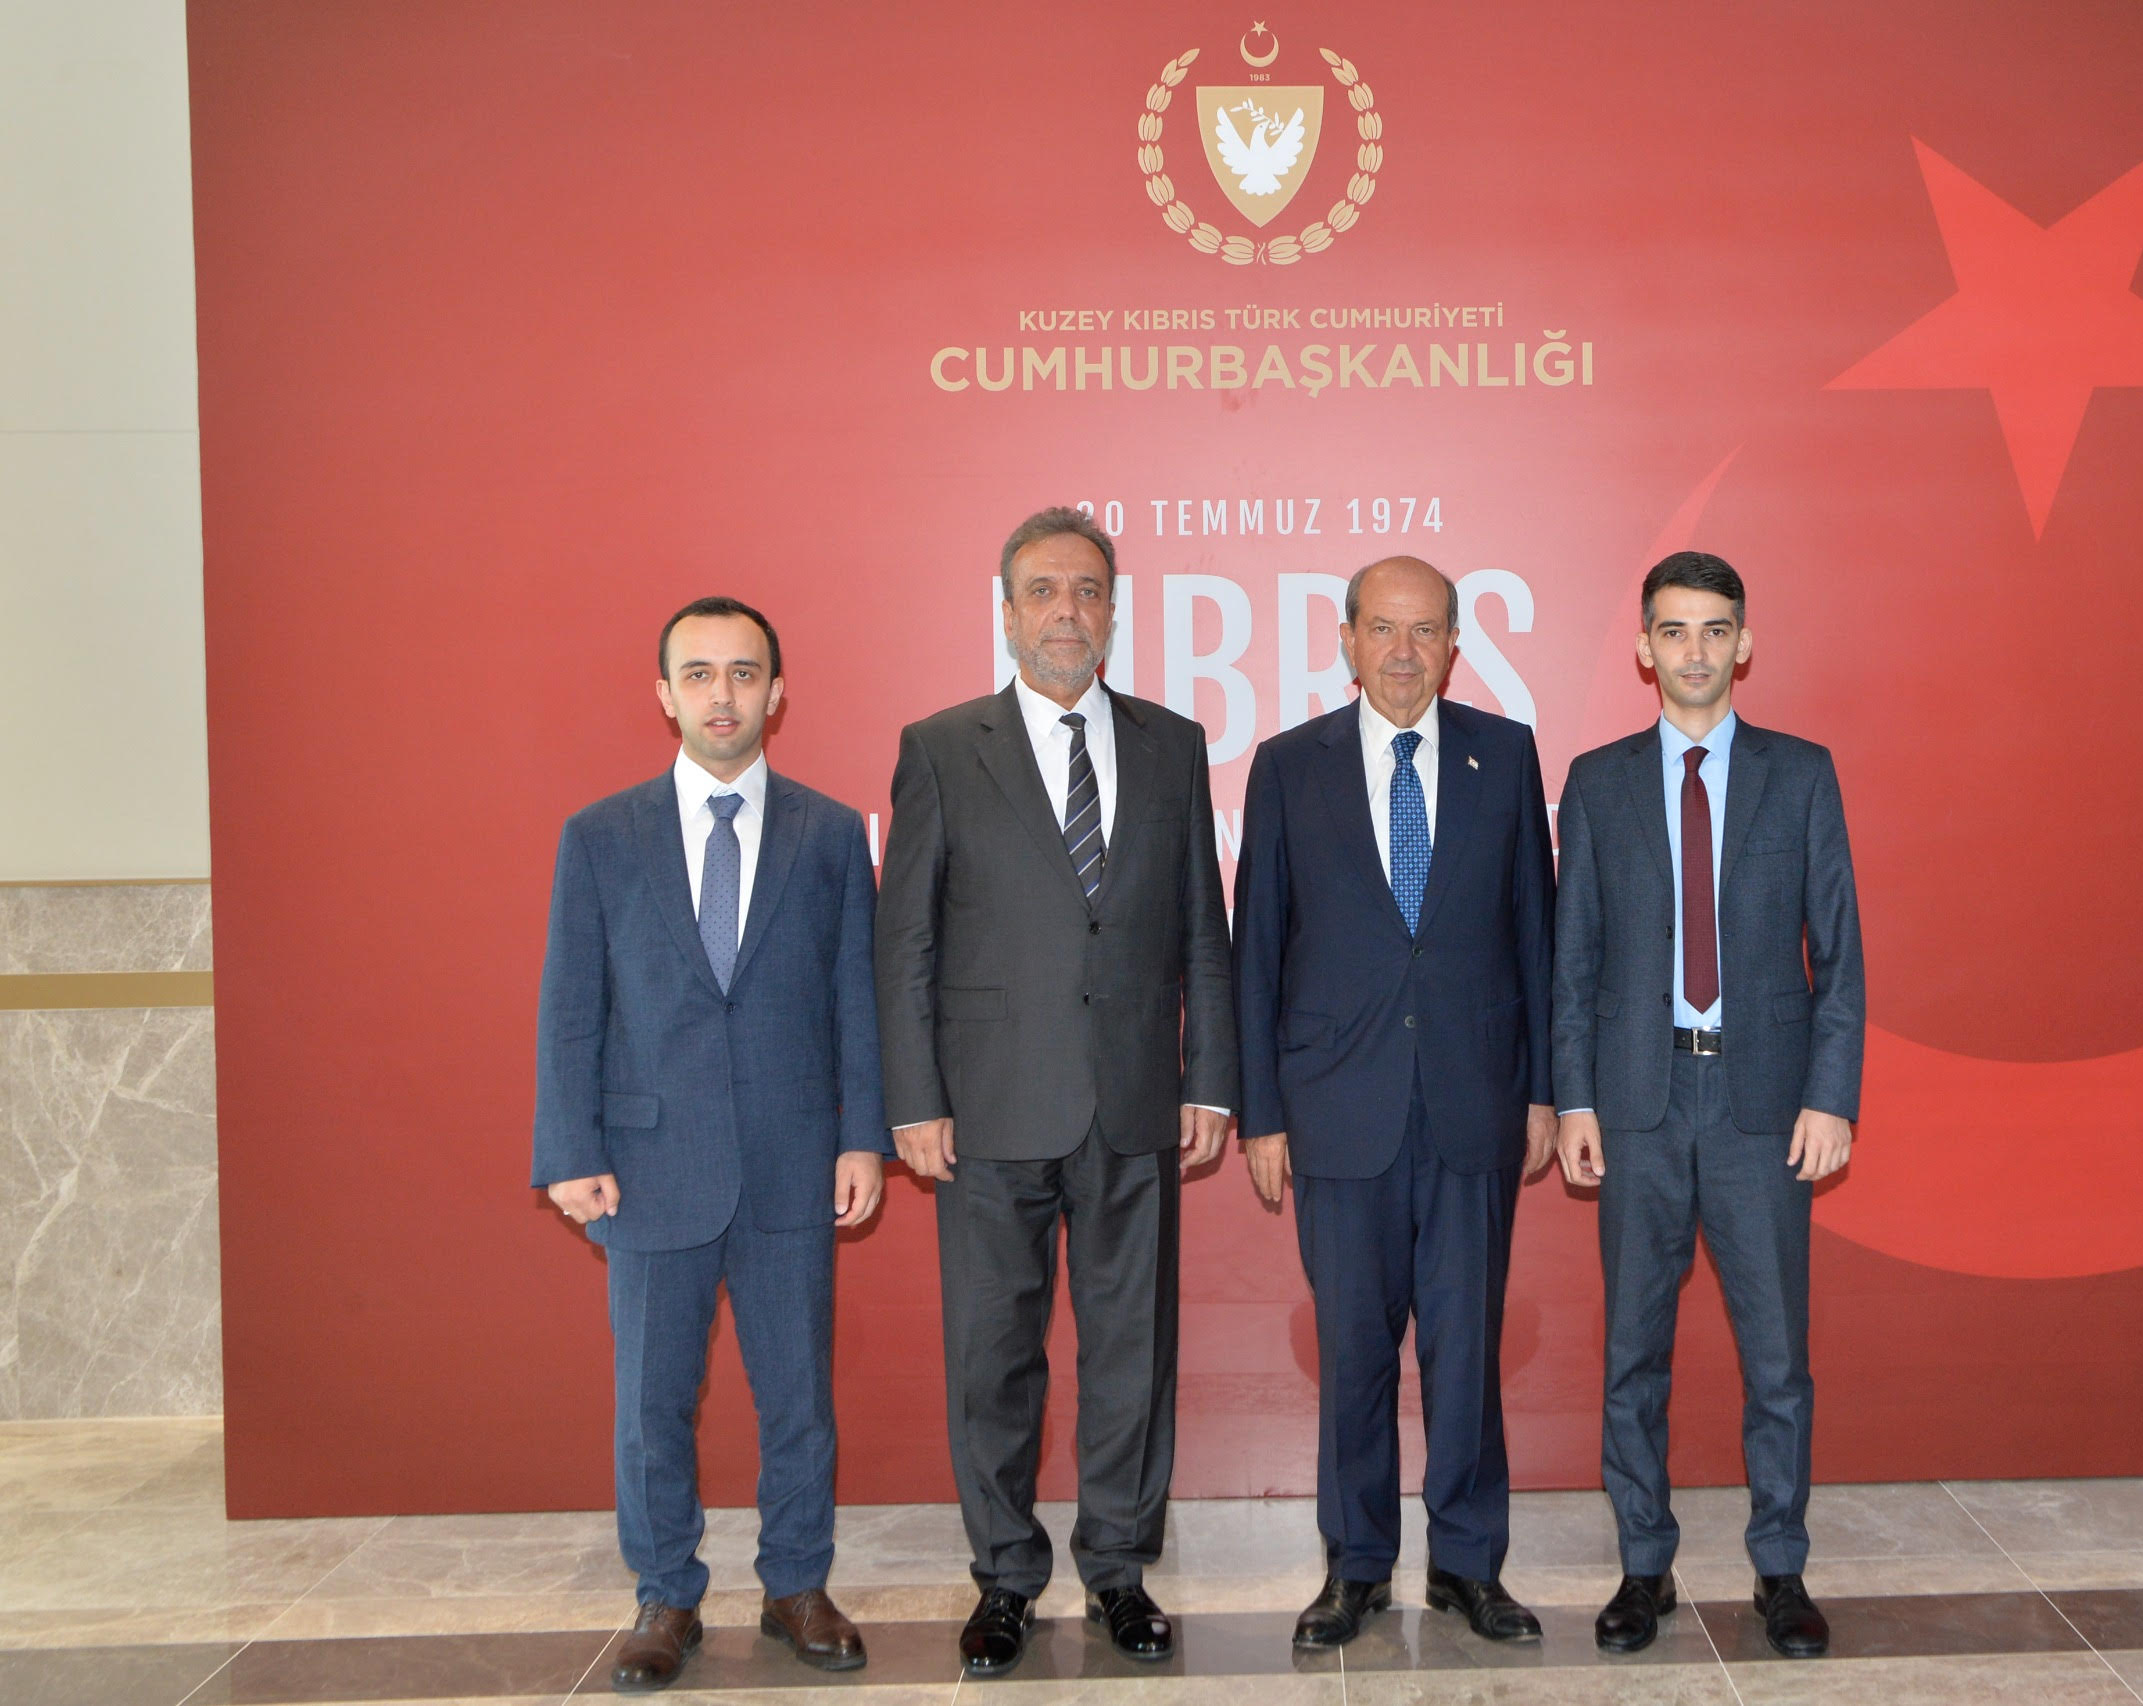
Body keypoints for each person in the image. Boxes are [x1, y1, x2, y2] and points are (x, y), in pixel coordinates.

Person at [873, 506, 1238, 1677]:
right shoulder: (942, 746)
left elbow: (1202, 928)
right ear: (1006, 611)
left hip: (1133, 1098)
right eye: (1042, 591)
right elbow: (905, 940)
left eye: (1086, 591)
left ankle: (1120, 1569)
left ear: (1113, 611)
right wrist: (912, 1097)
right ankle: (1004, 1576)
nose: (1065, 612)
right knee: (993, 1353)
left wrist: (1209, 1076)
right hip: (986, 1106)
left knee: (1131, 1350)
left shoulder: (1172, 743)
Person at [532, 596, 890, 1691]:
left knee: (798, 1397)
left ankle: (798, 1585)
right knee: (652, 1402)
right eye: (698, 674)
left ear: (777, 693)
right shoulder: (600, 836)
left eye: (743, 673)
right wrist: (568, 1150)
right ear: (665, 695)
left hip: (794, 1160)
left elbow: (856, 999)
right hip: (648, 1167)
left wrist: (862, 1137)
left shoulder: (830, 833)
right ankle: (665, 1594)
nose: (721, 694)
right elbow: (571, 1009)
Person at [1231, 556, 1557, 1650]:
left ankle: (1467, 1564)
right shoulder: (1289, 766)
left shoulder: (1504, 754)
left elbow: (1537, 932)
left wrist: (1546, 1091)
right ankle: (1356, 1565)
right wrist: (1261, 1112)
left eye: (1425, 631)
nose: (1404, 652)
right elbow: (1256, 949)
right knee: (1354, 1355)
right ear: (1346, 639)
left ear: (1455, 645)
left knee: (1465, 1356)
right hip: (1336, 1110)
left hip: (1474, 1103)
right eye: (1383, 629)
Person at [1551, 551, 1863, 1659]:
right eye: (1674, 630)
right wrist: (1574, 1098)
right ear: (1644, 647)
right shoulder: (1596, 781)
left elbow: (1840, 953)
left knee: (1777, 1359)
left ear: (1745, 643)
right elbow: (1572, 959)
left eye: (1715, 629)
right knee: (1633, 1353)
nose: (1695, 650)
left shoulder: (1802, 773)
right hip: (1637, 1101)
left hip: (1761, 1105)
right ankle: (1643, 1566)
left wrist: (1831, 1097)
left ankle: (1780, 1566)